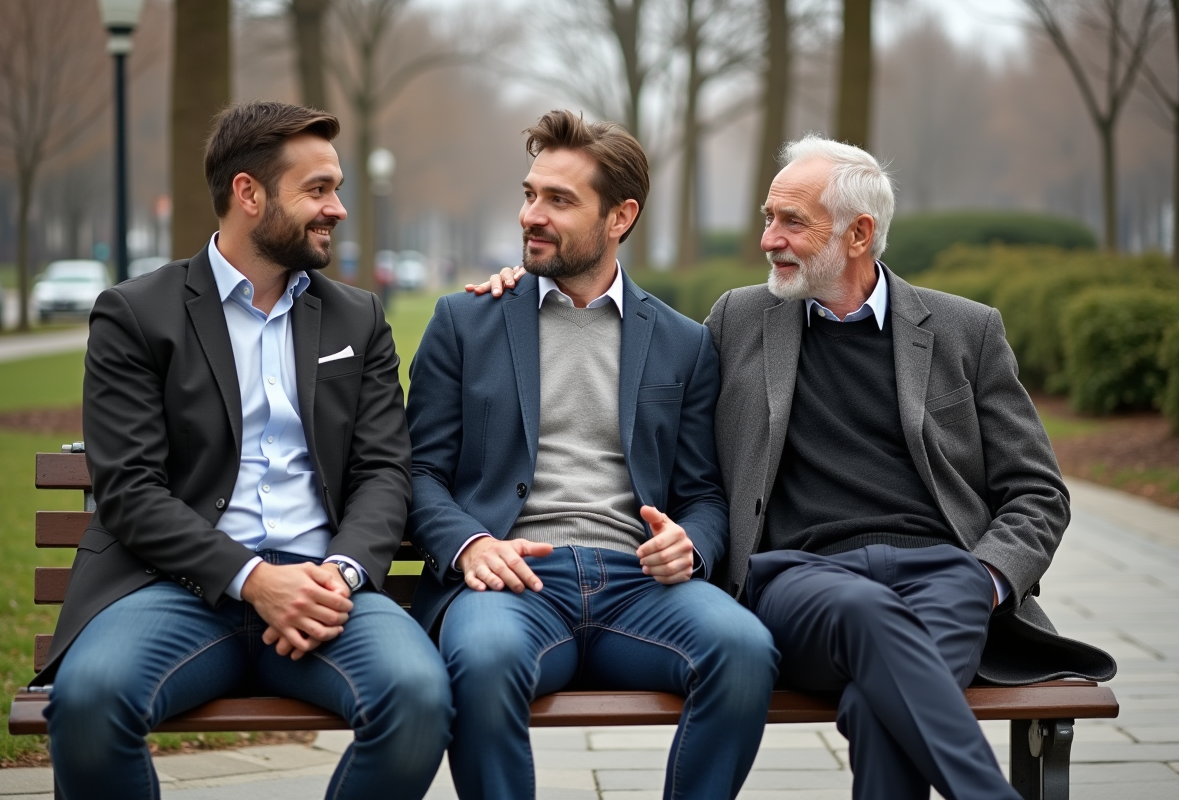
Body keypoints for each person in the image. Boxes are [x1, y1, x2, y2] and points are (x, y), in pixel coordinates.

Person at [471, 135, 1116, 799]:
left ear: (859, 234)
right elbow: (634, 342)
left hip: (946, 576)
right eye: (767, 216)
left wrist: (986, 579)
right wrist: (526, 288)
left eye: (791, 222)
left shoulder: (965, 331)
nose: (768, 239)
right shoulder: (738, 320)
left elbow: (1038, 491)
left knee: (879, 705)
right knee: (867, 612)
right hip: (802, 578)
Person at [38, 101, 452, 800]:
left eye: (337, 187)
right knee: (88, 702)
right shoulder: (137, 314)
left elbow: (385, 468)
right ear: (248, 194)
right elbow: (131, 491)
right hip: (171, 589)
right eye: (317, 189)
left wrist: (340, 575)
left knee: (417, 697)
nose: (338, 209)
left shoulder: (358, 317)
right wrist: (256, 581)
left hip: (327, 593)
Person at [406, 109, 778, 800]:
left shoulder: (683, 342)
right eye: (529, 194)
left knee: (744, 650)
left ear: (620, 217)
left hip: (640, 586)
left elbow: (703, 492)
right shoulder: (465, 322)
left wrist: (691, 545)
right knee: (481, 661)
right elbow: (419, 470)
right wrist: (469, 546)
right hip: (511, 583)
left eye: (559, 200)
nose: (531, 216)